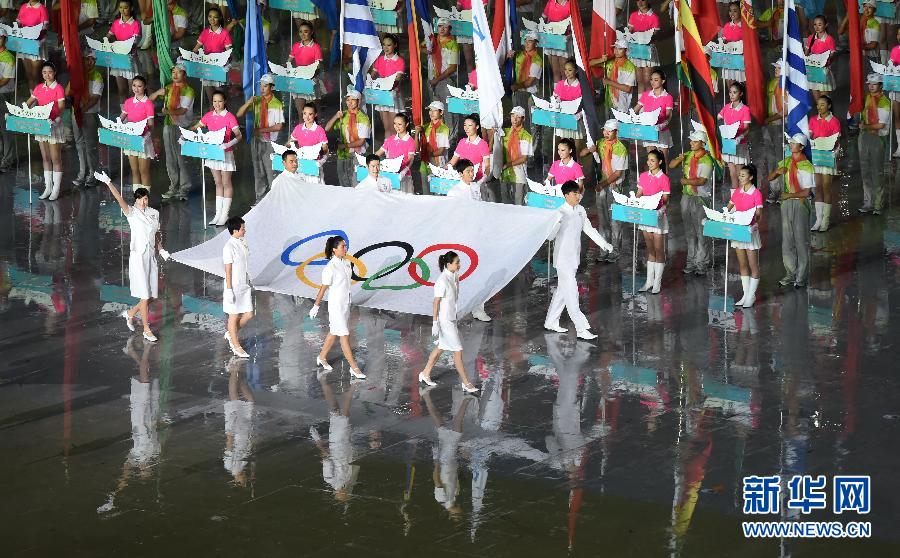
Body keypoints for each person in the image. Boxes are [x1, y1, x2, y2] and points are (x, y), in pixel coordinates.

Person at [543, 180, 614, 339]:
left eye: (579, 193)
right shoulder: (559, 212)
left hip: (574, 258)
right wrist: (556, 223)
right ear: (566, 195)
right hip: (562, 260)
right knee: (572, 294)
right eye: (575, 193)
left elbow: (589, 229)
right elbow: (550, 237)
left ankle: (551, 322)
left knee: (563, 292)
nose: (578, 196)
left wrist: (604, 244)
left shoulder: (581, 210)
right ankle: (581, 329)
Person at [97, 173, 163, 342]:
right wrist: (109, 183)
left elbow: (156, 233)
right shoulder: (131, 212)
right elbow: (119, 198)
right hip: (138, 257)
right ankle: (146, 329)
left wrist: (161, 249)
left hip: (151, 257)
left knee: (152, 295)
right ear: (135, 200)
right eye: (141, 199)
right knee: (144, 295)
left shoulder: (154, 213)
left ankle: (131, 313)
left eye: (146, 199)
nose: (144, 202)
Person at [418, 251, 480, 393]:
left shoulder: (454, 276)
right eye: (457, 262)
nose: (459, 265)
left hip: (452, 318)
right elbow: (436, 302)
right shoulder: (442, 281)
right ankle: (466, 382)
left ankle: (425, 373)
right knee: (457, 350)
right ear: (448, 264)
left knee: (440, 347)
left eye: (459, 262)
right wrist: (435, 322)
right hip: (444, 320)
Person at [309, 235, 367, 381]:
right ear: (334, 249)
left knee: (334, 332)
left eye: (345, 246)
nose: (345, 248)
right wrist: (316, 306)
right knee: (344, 335)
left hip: (345, 305)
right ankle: (354, 367)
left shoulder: (347, 263)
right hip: (335, 306)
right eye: (342, 246)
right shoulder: (330, 268)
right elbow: (323, 289)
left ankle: (322, 357)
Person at [446, 159, 493, 322]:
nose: (472, 174)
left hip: (477, 236)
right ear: (460, 174)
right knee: (458, 275)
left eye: (473, 171)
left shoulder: (475, 187)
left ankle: (478, 309)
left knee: (479, 274)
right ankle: (452, 309)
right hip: (461, 237)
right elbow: (451, 216)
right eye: (468, 172)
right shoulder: (454, 192)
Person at [766, 133, 813, 288]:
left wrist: (789, 195)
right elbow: (769, 178)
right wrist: (777, 172)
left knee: (800, 240)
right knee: (787, 241)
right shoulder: (786, 161)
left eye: (793, 143)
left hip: (799, 204)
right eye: (790, 143)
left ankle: (801, 276)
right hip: (786, 204)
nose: (790, 145)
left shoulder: (806, 166)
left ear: (801, 147)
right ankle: (790, 273)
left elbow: (806, 192)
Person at [192, 90, 242, 226]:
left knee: (226, 183)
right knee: (218, 183)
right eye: (214, 101)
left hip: (225, 153)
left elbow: (239, 135)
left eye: (220, 101)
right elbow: (195, 128)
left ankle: (225, 215)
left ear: (225, 101)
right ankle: (217, 214)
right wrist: (186, 137)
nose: (217, 104)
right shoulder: (208, 116)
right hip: (212, 153)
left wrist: (228, 144)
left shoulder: (230, 117)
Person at [581, 119, 628, 262]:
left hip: (615, 187)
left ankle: (615, 251)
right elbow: (582, 154)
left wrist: (602, 184)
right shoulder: (600, 143)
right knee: (603, 220)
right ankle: (604, 249)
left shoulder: (620, 149)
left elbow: (618, 173)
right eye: (604, 130)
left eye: (609, 131)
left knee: (615, 221)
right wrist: (591, 149)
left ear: (616, 132)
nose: (605, 133)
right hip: (601, 186)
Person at [669, 131, 713, 275]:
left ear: (702, 143)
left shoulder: (707, 160)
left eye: (694, 141)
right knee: (689, 231)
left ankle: (702, 263)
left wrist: (686, 181)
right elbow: (671, 165)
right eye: (691, 141)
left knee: (700, 232)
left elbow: (702, 181)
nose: (691, 143)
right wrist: (679, 159)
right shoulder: (688, 155)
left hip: (701, 198)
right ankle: (691, 261)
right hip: (687, 196)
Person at [149, 63, 195, 201]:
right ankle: (173, 187)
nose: (175, 74)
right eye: (173, 72)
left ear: (184, 75)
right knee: (170, 159)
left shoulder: (189, 91)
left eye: (178, 72)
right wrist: (158, 93)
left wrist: (166, 112)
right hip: (168, 126)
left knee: (181, 159)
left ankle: (184, 189)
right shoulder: (168, 88)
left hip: (182, 128)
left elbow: (183, 111)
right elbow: (148, 100)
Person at [236, 73, 284, 203]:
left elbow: (279, 126)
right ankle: (260, 198)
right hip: (256, 140)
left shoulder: (276, 104)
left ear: (272, 87)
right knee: (258, 170)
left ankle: (275, 199)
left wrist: (262, 130)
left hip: (269, 142)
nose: (262, 88)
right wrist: (248, 103)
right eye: (261, 86)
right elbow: (239, 114)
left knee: (271, 171)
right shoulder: (257, 101)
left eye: (265, 86)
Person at [27, 62, 65, 201]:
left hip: (53, 124)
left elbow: (61, 106)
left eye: (49, 72)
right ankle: (47, 187)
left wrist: (52, 117)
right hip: (41, 125)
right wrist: (21, 111)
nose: (47, 75)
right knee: (45, 158)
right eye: (44, 72)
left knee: (55, 158)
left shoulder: (59, 88)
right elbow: (28, 103)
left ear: (54, 73)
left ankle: (56, 189)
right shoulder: (38, 88)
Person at [726, 165, 763, 308]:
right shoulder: (736, 192)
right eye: (739, 175)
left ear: (751, 177)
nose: (739, 177)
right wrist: (722, 217)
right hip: (738, 232)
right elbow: (728, 208)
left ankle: (751, 295)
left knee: (753, 265)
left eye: (742, 175)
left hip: (750, 232)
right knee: (742, 264)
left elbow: (759, 215)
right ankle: (745, 294)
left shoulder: (756, 193)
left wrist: (753, 225)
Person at [636, 149, 670, 294]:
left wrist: (659, 210)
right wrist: (634, 201)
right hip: (645, 216)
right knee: (650, 250)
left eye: (652, 160)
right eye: (648, 160)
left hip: (658, 216)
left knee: (658, 249)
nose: (649, 163)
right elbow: (639, 194)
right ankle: (649, 281)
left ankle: (657, 282)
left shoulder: (664, 179)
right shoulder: (643, 176)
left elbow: (665, 199)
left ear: (660, 162)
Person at [68, 52, 103, 189]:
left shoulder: (97, 76)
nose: (90, 62)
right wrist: (74, 79)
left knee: (91, 146)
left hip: (89, 114)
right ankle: (82, 173)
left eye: (93, 60)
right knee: (79, 144)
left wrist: (82, 110)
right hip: (76, 113)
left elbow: (95, 98)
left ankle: (92, 175)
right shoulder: (77, 75)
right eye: (87, 59)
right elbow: (67, 93)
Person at [857, 73, 888, 216]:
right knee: (865, 171)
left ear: (881, 85)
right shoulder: (867, 98)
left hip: (877, 139)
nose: (871, 86)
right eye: (869, 84)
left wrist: (866, 127)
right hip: (865, 137)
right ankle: (868, 202)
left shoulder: (884, 102)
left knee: (877, 171)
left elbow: (881, 125)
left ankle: (878, 203)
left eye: (874, 84)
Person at [325, 90, 370, 188]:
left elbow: (361, 141)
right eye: (347, 100)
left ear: (358, 101)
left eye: (352, 100)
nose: (349, 102)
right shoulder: (343, 115)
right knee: (343, 182)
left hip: (357, 155)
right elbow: (327, 128)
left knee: (356, 183)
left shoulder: (363, 118)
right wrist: (336, 117)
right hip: (342, 155)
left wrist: (344, 146)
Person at [808, 95, 840, 232]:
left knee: (826, 187)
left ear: (829, 106)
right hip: (816, 158)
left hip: (827, 158)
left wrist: (833, 154)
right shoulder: (813, 120)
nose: (819, 107)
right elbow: (809, 135)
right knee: (818, 188)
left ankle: (826, 220)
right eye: (818, 105)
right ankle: (818, 219)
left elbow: (837, 142)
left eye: (822, 104)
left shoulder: (834, 121)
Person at [223, 216, 253, 359]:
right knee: (233, 316)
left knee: (249, 314)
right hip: (234, 285)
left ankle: (231, 333)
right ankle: (236, 346)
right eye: (243, 228)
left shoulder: (243, 241)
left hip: (244, 284)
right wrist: (229, 290)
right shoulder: (228, 247)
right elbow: (228, 270)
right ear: (235, 230)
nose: (245, 230)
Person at [120, 75, 156, 192]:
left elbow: (151, 124)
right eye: (134, 85)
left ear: (144, 87)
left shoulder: (148, 103)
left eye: (139, 86)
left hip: (143, 140)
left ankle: (145, 198)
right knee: (134, 171)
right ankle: (137, 198)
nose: (136, 88)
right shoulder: (128, 102)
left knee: (143, 171)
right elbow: (121, 118)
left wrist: (145, 134)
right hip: (131, 140)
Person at [426, 18, 459, 136]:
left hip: (446, 81)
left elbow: (453, 67)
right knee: (435, 111)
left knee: (448, 111)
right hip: (432, 80)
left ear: (450, 29)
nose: (442, 28)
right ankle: (438, 137)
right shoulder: (431, 40)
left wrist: (437, 79)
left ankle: (451, 138)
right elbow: (420, 48)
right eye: (440, 26)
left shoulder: (453, 44)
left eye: (445, 26)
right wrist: (427, 50)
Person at [370, 34, 406, 141]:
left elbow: (397, 80)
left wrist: (386, 85)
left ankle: (397, 152)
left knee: (395, 129)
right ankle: (388, 153)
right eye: (384, 45)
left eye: (389, 45)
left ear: (395, 45)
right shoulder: (380, 60)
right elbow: (372, 75)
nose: (385, 48)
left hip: (393, 96)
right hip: (381, 96)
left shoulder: (399, 61)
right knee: (387, 128)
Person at [718, 82, 752, 194]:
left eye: (734, 92)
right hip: (728, 144)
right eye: (730, 92)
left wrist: (740, 137)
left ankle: (744, 197)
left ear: (741, 94)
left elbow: (746, 128)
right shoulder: (726, 107)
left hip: (739, 144)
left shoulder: (745, 109)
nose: (731, 95)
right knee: (732, 173)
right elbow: (716, 118)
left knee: (740, 173)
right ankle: (735, 199)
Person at [193, 6, 233, 101]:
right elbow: (195, 49)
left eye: (215, 17)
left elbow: (229, 53)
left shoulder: (224, 33)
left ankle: (223, 115)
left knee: (220, 99)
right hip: (207, 67)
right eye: (210, 16)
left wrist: (224, 63)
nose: (212, 19)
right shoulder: (205, 32)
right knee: (211, 99)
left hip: (219, 68)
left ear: (220, 18)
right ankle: (212, 115)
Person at [634, 68, 674, 159]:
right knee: (652, 162)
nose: (652, 82)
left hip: (662, 131)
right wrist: (628, 117)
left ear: (663, 81)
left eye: (656, 80)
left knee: (663, 162)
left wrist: (663, 125)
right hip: (649, 131)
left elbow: (669, 115)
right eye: (651, 79)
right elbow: (636, 109)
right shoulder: (646, 95)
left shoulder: (668, 97)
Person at [762, 60, 787, 203]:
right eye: (775, 68)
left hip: (780, 126)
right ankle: (774, 190)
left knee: (781, 159)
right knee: (771, 159)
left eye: (778, 68)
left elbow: (785, 111)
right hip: (769, 126)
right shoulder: (771, 83)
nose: (776, 70)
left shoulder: (787, 86)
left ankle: (784, 190)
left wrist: (770, 119)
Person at [107, 0, 141, 103]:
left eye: (125, 7)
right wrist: (105, 43)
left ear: (131, 8)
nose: (122, 10)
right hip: (118, 59)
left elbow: (133, 43)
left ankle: (133, 114)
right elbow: (108, 36)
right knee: (121, 91)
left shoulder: (136, 24)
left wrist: (118, 45)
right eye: (120, 7)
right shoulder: (116, 23)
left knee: (133, 91)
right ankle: (124, 115)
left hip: (129, 60)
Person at [374, 113, 417, 194]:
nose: (396, 126)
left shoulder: (410, 141)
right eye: (394, 123)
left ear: (406, 124)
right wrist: (366, 161)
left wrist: (404, 171)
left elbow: (411, 159)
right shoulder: (390, 139)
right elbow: (378, 153)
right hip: (390, 175)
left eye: (399, 124)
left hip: (403, 176)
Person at [287, 19, 324, 111]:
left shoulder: (316, 47)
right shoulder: (296, 46)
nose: (302, 34)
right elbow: (288, 62)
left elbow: (318, 67)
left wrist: (309, 75)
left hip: (310, 81)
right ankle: (301, 126)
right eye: (300, 32)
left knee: (310, 113)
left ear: (311, 32)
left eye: (305, 31)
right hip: (298, 80)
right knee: (300, 112)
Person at [590, 39, 636, 113]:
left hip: (623, 104)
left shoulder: (630, 67)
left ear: (626, 51)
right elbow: (590, 63)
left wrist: (609, 82)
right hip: (610, 102)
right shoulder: (611, 62)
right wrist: (601, 60)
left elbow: (627, 89)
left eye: (620, 49)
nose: (616, 51)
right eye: (615, 48)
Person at [500, 106, 534, 205]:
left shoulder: (526, 136)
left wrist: (507, 165)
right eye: (513, 116)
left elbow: (524, 158)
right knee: (505, 202)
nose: (514, 119)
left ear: (523, 119)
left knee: (518, 202)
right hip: (505, 173)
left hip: (519, 173)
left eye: (518, 117)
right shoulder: (504, 132)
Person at [287, 102, 328, 183]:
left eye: (310, 114)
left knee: (315, 191)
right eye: (305, 113)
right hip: (300, 164)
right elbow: (289, 143)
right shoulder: (298, 128)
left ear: (315, 115)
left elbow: (325, 149)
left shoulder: (319, 130)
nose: (307, 117)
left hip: (314, 165)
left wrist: (321, 161)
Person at [447, 114, 491, 187]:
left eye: (470, 125)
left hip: (476, 181)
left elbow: (487, 166)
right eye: (465, 125)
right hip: (462, 181)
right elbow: (452, 162)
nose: (466, 128)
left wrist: (482, 180)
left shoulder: (482, 144)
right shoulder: (462, 142)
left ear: (477, 127)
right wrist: (440, 170)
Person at [627, 0, 660, 94]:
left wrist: (640, 36)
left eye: (643, 0)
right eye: (638, 0)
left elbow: (654, 36)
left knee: (647, 80)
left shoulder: (654, 17)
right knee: (640, 80)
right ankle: (641, 106)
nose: (640, 3)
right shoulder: (633, 15)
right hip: (636, 50)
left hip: (647, 50)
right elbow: (630, 32)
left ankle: (650, 105)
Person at [16, 0, 50, 90]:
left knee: (36, 75)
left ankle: (42, 98)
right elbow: (18, 24)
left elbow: (45, 29)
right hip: (24, 44)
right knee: (29, 74)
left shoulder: (42, 8)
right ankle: (33, 99)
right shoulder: (23, 7)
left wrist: (36, 37)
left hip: (37, 44)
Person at [509, 31, 543, 115]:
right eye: (526, 41)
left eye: (530, 41)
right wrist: (508, 57)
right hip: (517, 92)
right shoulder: (519, 55)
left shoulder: (537, 60)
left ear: (536, 43)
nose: (527, 44)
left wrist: (515, 87)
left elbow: (530, 82)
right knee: (516, 117)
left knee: (527, 120)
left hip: (530, 94)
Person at [552, 58, 585, 145]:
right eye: (565, 69)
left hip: (576, 120)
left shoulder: (581, 86)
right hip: (563, 119)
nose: (567, 72)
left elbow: (585, 105)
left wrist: (579, 115)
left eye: (570, 70)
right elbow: (554, 98)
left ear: (576, 70)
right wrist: (556, 101)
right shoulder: (560, 84)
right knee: (564, 147)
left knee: (576, 149)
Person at [805, 15, 836, 102]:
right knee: (817, 101)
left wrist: (824, 62)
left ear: (825, 25)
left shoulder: (829, 39)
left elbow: (832, 56)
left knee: (824, 100)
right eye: (815, 24)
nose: (817, 27)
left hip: (823, 71)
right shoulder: (811, 38)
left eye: (820, 24)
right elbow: (806, 54)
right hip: (813, 70)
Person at [417, 101, 450, 181]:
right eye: (430, 110)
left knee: (437, 188)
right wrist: (416, 134)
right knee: (426, 190)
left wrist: (427, 154)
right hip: (425, 163)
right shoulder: (425, 127)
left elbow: (441, 150)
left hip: (438, 163)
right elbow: (417, 148)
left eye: (434, 110)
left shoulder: (444, 129)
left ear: (441, 112)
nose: (431, 113)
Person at [542, 0, 574, 83]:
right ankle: (557, 94)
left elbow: (574, 23)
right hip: (551, 40)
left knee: (565, 72)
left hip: (564, 40)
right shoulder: (550, 2)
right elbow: (544, 19)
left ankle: (566, 93)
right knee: (555, 71)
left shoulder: (570, 4)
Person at [720, 2, 746, 87]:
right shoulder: (727, 26)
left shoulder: (745, 26)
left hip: (740, 60)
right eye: (730, 11)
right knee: (730, 86)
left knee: (741, 85)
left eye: (735, 11)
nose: (732, 13)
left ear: (740, 11)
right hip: (728, 60)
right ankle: (732, 101)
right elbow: (724, 40)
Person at [0, 28, 14, 173]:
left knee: (5, 129)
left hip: (4, 95)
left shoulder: (8, 57)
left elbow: (5, 80)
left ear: (5, 39)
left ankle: (7, 159)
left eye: (1, 38)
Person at [889, 26, 900, 157]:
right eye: (898, 34)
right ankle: (899, 146)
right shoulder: (895, 50)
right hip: (897, 87)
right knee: (898, 116)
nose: (899, 36)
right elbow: (892, 63)